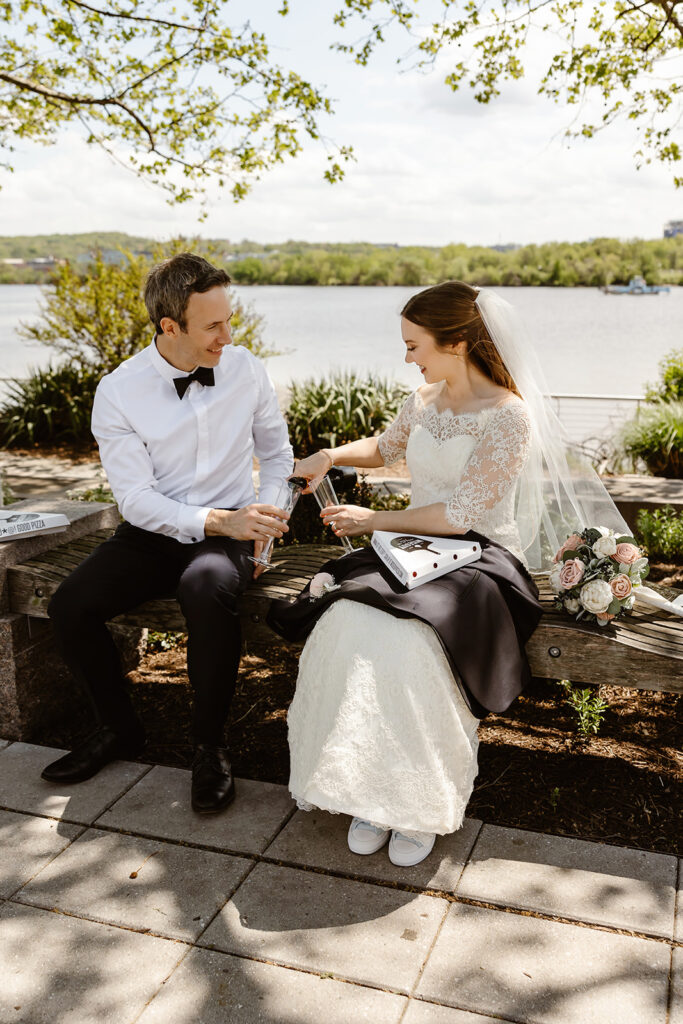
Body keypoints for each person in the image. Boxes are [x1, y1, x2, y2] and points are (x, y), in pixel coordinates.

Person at [268, 280, 626, 867]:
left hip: (481, 561)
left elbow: (462, 516)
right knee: (349, 624)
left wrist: (371, 518)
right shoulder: (424, 400)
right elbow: (385, 448)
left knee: (412, 642)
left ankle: (414, 802)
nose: (407, 357)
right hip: (411, 548)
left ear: (457, 342)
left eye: (415, 345)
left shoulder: (509, 417)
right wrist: (329, 456)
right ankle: (367, 788)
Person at [42, 253, 293, 814]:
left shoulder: (247, 369)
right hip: (154, 531)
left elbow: (278, 457)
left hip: (230, 534)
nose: (227, 336)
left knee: (205, 589)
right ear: (169, 327)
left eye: (230, 320)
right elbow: (135, 499)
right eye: (213, 325)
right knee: (70, 606)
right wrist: (212, 521)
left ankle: (209, 747)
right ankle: (118, 728)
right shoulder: (120, 390)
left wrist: (265, 525)